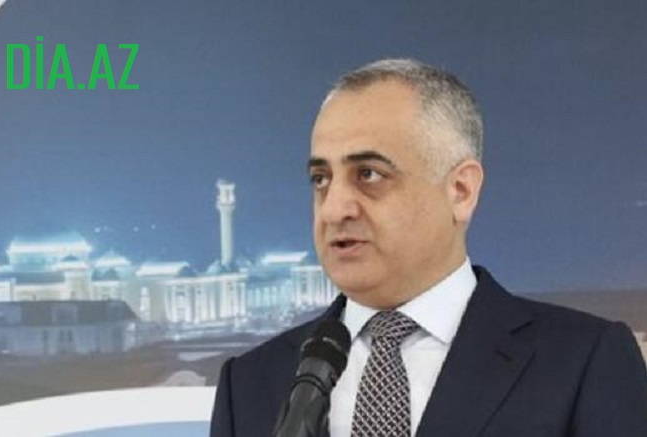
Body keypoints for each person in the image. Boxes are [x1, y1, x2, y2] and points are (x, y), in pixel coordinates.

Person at [210, 59, 647, 437]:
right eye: (321, 179)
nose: (334, 208)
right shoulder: (248, 384)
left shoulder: (583, 360)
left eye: (369, 174)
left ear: (460, 190)